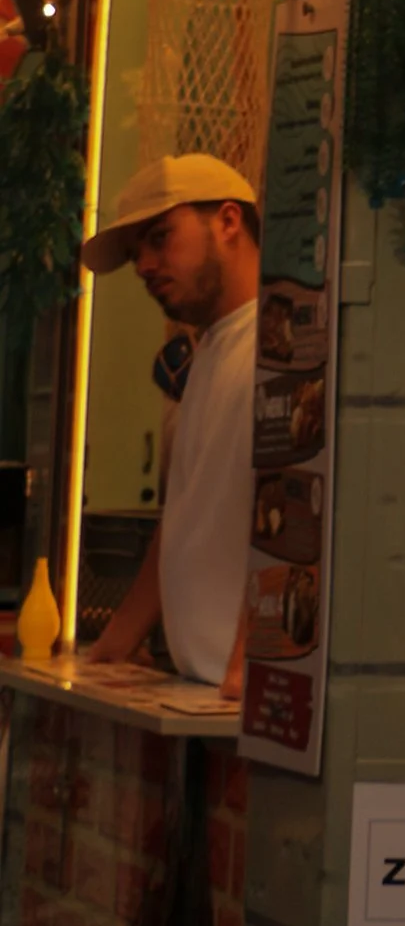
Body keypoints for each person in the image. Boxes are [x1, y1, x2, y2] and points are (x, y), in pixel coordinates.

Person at [80, 153, 261, 693]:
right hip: (198, 687)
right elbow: (184, 516)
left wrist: (248, 664)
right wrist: (114, 643)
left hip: (239, 698)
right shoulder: (207, 350)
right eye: (137, 254)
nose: (144, 266)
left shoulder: (278, 346)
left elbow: (294, 519)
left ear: (228, 221)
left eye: (160, 238)